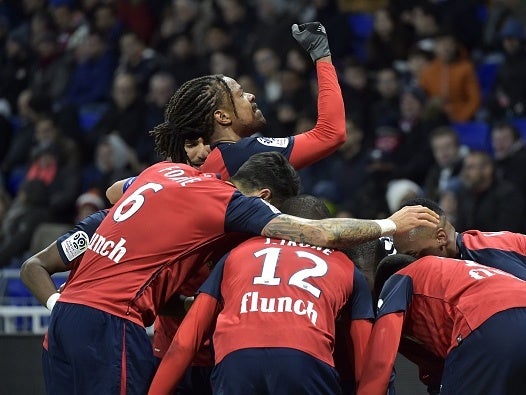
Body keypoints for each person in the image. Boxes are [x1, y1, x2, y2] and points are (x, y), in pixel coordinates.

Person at [43, 150, 438, 394]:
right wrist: (390, 224)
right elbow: (318, 232)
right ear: (266, 201)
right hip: (119, 322)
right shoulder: (238, 212)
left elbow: (115, 192)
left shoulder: (162, 176)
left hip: (75, 317)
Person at [149, 195, 376, 395]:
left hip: (236, 360)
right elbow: (367, 362)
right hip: (305, 361)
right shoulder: (345, 265)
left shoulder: (237, 252)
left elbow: (186, 340)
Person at [149, 22, 347, 180]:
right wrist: (322, 55)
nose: (251, 96)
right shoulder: (239, 154)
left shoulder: (206, 163)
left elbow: (118, 187)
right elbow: (330, 134)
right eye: (240, 94)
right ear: (223, 116)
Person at [357, 253, 526, 395]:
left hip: (488, 321)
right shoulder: (452, 272)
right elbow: (438, 371)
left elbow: (380, 361)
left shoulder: (400, 279)